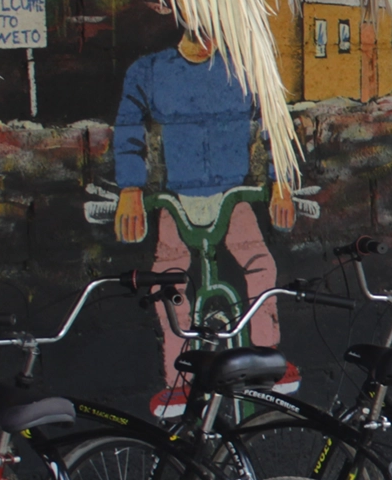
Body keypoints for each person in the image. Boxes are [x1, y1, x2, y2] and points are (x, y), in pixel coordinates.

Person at [114, 24, 297, 416]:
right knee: (168, 277)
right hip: (177, 197)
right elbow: (129, 127)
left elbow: (276, 124)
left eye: (214, 32)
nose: (207, 43)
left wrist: (281, 183)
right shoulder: (149, 70)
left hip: (233, 195)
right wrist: (131, 189)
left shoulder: (245, 69)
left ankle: (267, 355)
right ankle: (176, 380)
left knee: (261, 265)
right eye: (199, 34)